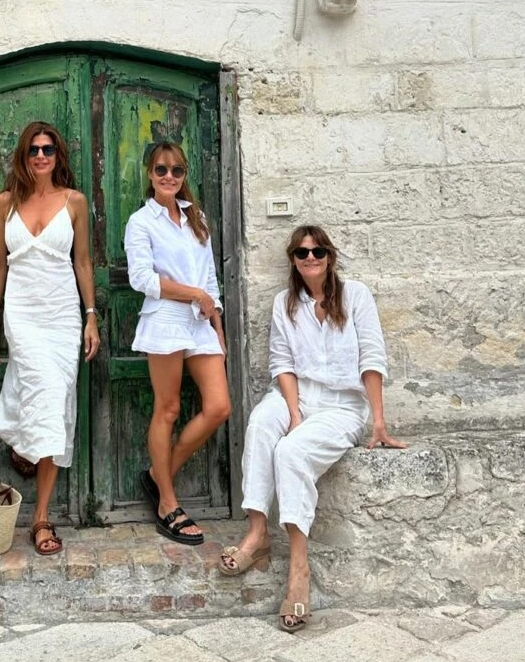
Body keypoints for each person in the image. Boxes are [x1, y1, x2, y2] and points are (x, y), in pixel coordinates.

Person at [219, 224, 407, 631]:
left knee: (291, 451)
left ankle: (299, 568)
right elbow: (281, 362)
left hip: (342, 405)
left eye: (317, 252)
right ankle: (257, 533)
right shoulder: (284, 303)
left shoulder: (356, 296)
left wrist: (378, 421)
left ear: (329, 257)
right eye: (302, 253)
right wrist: (293, 413)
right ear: (293, 260)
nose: (310, 258)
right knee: (261, 423)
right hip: (298, 395)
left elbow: (372, 357)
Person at [0, 122, 100, 556]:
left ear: (57, 156)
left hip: (62, 314)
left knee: (55, 400)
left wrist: (91, 316)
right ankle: (25, 446)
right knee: (45, 391)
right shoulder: (5, 203)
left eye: (48, 149)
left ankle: (41, 516)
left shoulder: (74, 201)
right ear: (24, 154)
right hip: (22, 313)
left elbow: (83, 262)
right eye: (33, 149)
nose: (40, 156)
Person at [124, 142, 231, 546]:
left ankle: (158, 474)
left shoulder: (195, 218)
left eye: (177, 170)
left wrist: (216, 321)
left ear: (184, 175)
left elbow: (209, 276)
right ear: (150, 174)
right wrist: (194, 295)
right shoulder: (141, 222)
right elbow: (142, 279)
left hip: (200, 322)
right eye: (161, 170)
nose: (169, 177)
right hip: (166, 319)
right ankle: (167, 503)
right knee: (167, 409)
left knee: (219, 407)